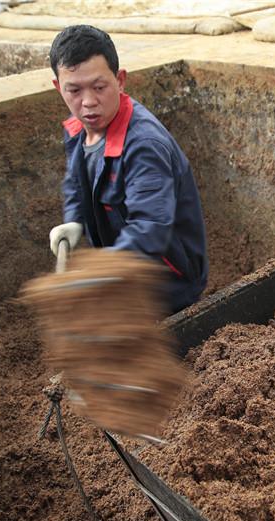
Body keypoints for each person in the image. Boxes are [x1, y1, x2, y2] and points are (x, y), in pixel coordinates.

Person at [48, 25, 208, 313]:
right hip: (122, 269)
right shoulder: (78, 128)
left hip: (167, 279)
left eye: (99, 87)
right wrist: (74, 219)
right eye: (74, 90)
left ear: (120, 80)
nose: (87, 102)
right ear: (58, 87)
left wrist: (96, 274)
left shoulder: (144, 146)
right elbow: (75, 181)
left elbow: (150, 229)